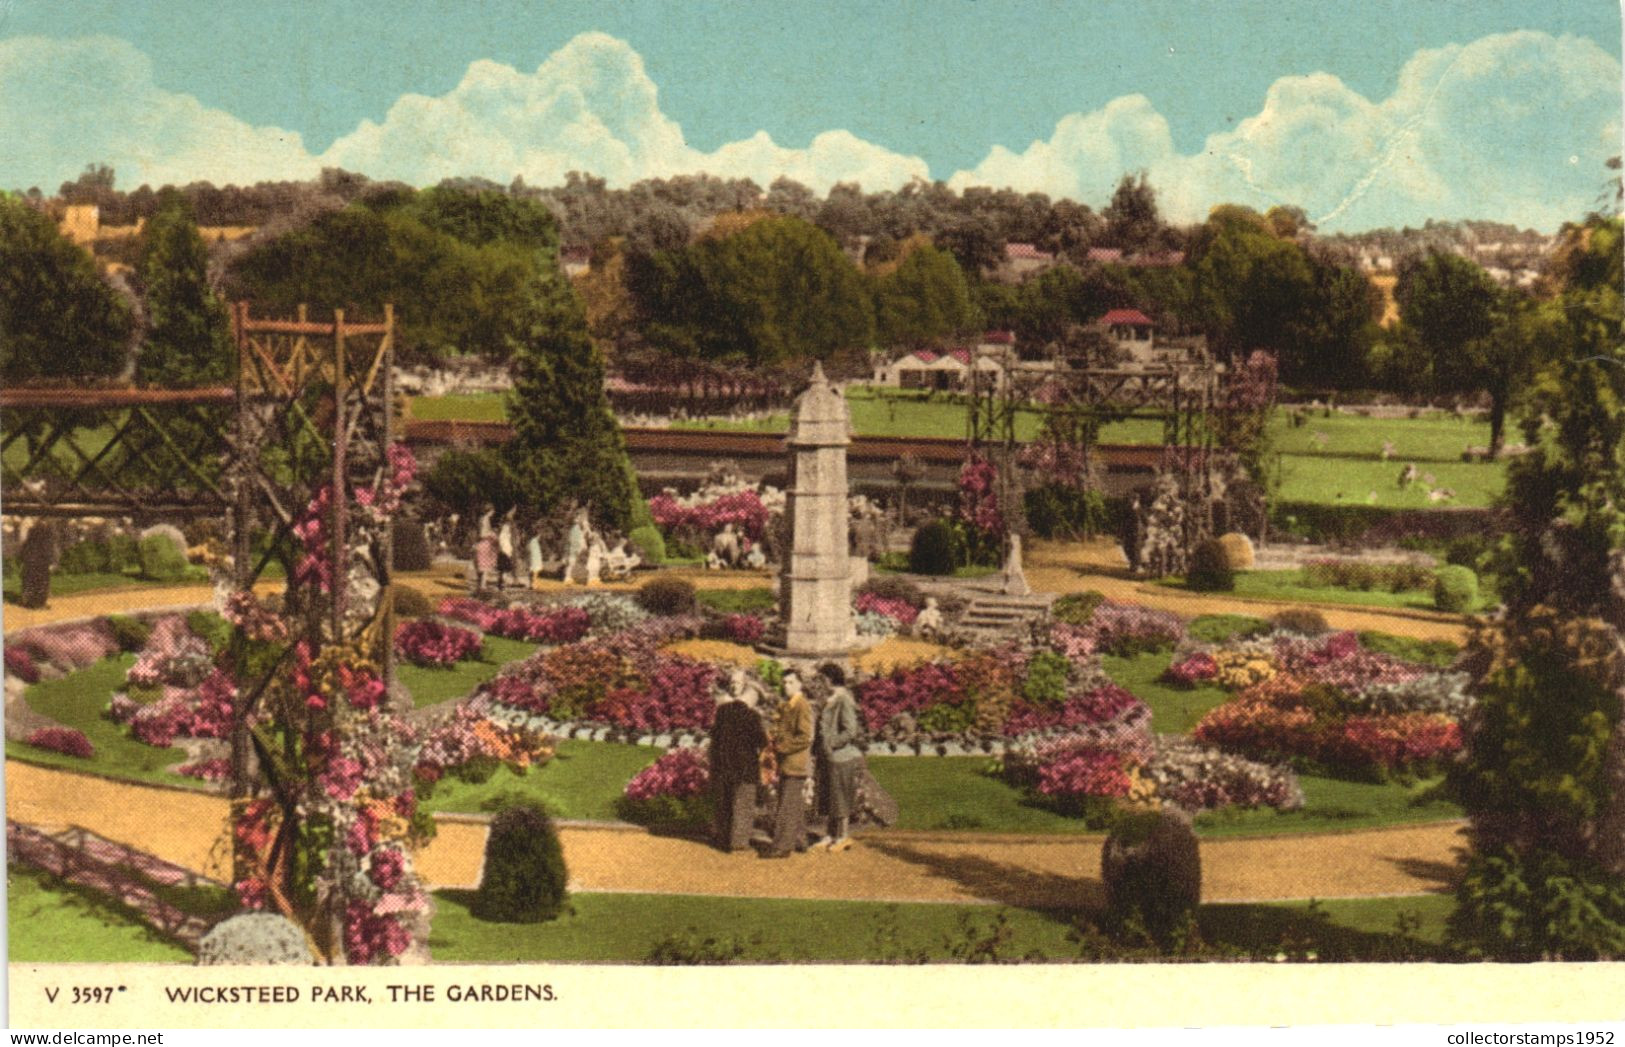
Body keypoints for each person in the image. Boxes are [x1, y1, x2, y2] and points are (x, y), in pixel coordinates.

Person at [709, 670, 768, 852]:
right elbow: (762, 741)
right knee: (743, 804)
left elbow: (715, 738)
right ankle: (739, 842)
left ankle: (724, 839)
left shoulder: (722, 711)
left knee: (725, 803)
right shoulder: (753, 717)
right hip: (745, 766)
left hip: (724, 765)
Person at [812, 663, 863, 852]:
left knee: (840, 798)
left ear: (829, 679)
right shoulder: (832, 698)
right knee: (829, 797)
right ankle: (830, 834)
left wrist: (831, 743)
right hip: (828, 757)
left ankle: (843, 836)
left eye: (822, 679)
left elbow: (851, 730)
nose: (820, 683)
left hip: (841, 757)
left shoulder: (844, 699)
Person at [763, 670, 814, 858]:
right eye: (784, 682)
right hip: (788, 763)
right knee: (793, 803)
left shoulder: (802, 706)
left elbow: (805, 737)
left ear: (799, 684)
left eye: (791, 682)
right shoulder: (788, 706)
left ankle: (782, 846)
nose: (786, 686)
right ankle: (800, 840)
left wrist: (782, 747)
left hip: (795, 764)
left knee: (786, 805)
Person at [496, 508, 517, 589]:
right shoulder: (505, 528)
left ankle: (501, 583)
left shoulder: (505, 527)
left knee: (503, 569)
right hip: (505, 549)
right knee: (504, 568)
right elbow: (502, 537)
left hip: (505, 548)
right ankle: (502, 583)